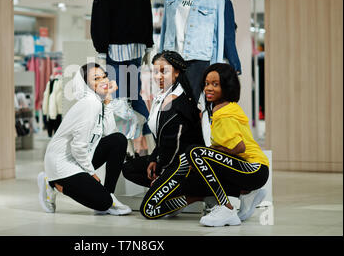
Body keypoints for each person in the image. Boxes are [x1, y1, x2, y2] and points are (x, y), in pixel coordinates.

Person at [140, 63, 269, 226]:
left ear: (227, 86)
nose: (209, 88)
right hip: (248, 170)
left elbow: (239, 147)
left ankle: (226, 208)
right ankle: (242, 194)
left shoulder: (224, 113)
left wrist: (209, 152)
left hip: (254, 169)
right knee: (196, 158)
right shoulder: (220, 109)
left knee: (195, 152)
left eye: (215, 84)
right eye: (207, 84)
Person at [38, 63, 131, 216]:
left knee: (118, 140)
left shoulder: (97, 102)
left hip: (78, 157)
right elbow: (78, 147)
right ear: (86, 84)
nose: (103, 81)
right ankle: (52, 183)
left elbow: (109, 131)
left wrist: (108, 102)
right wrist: (91, 173)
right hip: (62, 162)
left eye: (104, 76)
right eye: (96, 79)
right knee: (102, 203)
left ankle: (109, 195)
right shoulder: (90, 104)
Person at [122, 50, 204, 188]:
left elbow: (176, 146)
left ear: (177, 72)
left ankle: (179, 188)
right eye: (155, 72)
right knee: (129, 168)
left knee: (148, 208)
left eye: (163, 71)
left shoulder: (178, 102)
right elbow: (161, 140)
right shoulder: (162, 96)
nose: (158, 76)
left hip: (182, 164)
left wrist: (162, 169)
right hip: (167, 157)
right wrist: (154, 158)